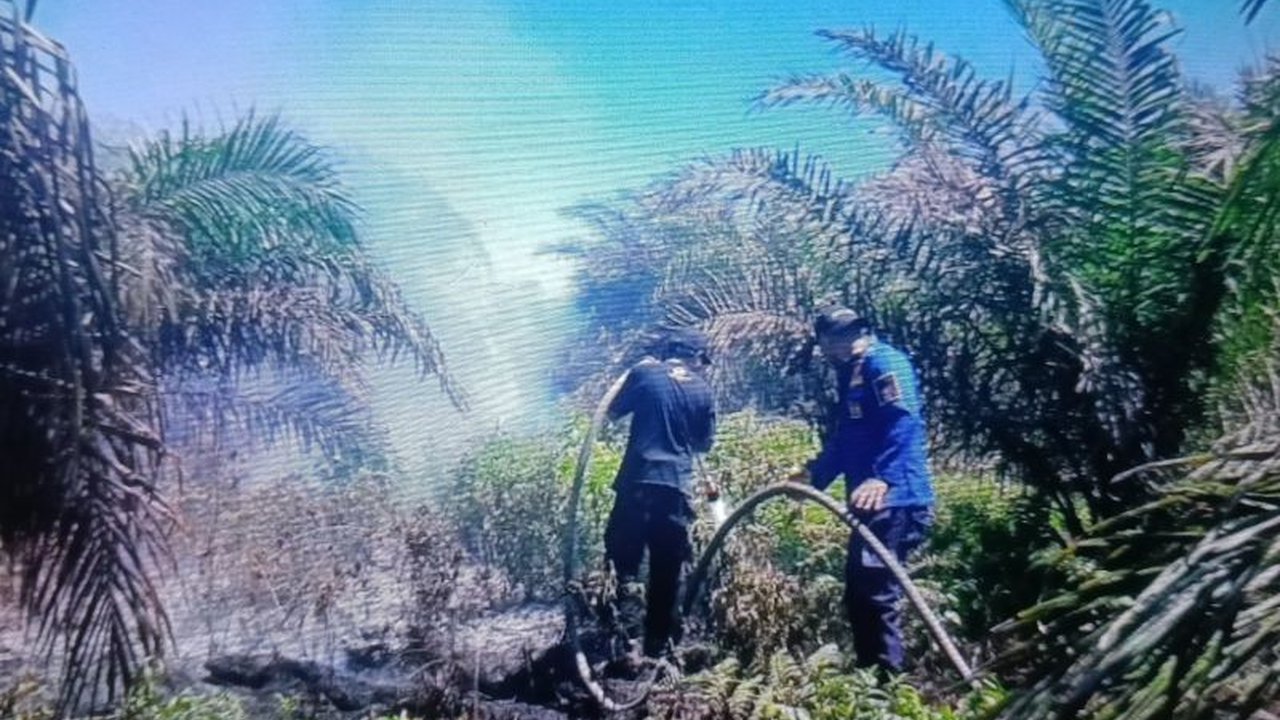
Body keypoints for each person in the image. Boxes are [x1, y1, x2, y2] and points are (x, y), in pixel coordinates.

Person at [796, 307, 935, 674]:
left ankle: (891, 686)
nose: (823, 353)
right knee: (859, 592)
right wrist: (814, 476)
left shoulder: (885, 364)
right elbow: (847, 440)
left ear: (836, 340)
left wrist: (883, 477)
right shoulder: (852, 374)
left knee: (876, 593)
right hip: (869, 504)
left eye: (825, 344)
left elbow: (903, 422)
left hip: (895, 499)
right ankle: (868, 679)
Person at [603, 327, 717, 658]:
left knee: (624, 564)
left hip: (637, 485)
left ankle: (626, 644)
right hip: (675, 490)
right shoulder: (703, 390)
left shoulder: (644, 372)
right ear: (695, 358)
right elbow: (703, 444)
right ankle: (659, 648)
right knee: (667, 569)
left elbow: (610, 414)